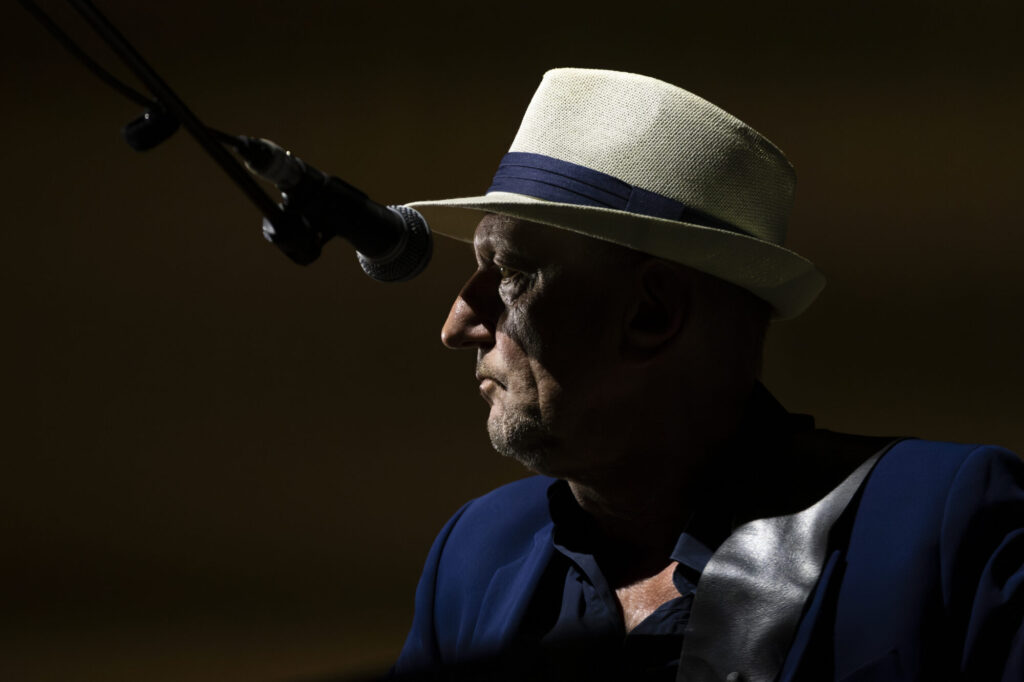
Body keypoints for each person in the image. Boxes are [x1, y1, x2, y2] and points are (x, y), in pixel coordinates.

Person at [390, 68, 1024, 681]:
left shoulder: (942, 525)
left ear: (652, 312)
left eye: (510, 273)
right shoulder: (472, 554)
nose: (457, 325)